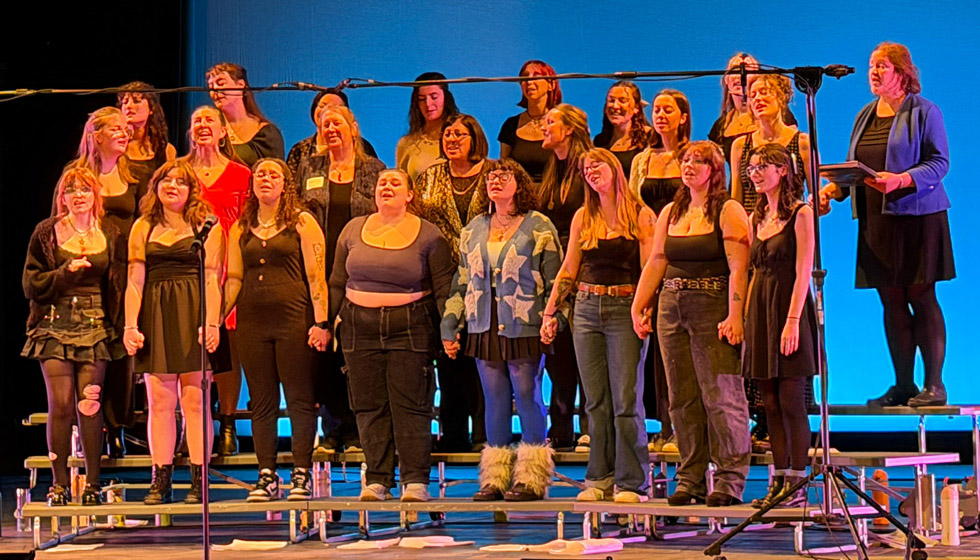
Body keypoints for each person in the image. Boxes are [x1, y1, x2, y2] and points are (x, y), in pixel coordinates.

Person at [819, 42, 954, 407]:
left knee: (920, 295)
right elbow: (857, 168)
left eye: (882, 66)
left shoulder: (925, 111)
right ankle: (904, 384)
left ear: (902, 72)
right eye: (871, 66)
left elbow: (939, 163)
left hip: (918, 217)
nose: (874, 72)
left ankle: (934, 386)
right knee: (891, 301)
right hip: (877, 220)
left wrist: (901, 180)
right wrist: (833, 189)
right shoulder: (865, 115)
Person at [631, 141, 751, 507]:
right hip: (672, 305)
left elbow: (738, 267)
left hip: (712, 303)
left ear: (715, 170)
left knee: (720, 394)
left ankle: (729, 479)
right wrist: (640, 304)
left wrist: (735, 314)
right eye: (686, 160)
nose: (689, 166)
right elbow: (656, 259)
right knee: (681, 397)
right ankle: (690, 477)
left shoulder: (728, 210)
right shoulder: (672, 210)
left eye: (699, 161)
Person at [441, 159, 564, 501]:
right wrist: (450, 323)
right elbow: (462, 280)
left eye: (504, 175)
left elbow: (557, 281)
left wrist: (555, 318)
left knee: (526, 394)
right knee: (493, 399)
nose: (495, 180)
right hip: (483, 323)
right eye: (491, 176)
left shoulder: (539, 226)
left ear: (520, 183)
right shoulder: (474, 228)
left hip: (525, 323)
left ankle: (532, 477)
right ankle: (494, 478)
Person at [329, 169, 454, 502]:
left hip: (411, 326)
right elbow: (337, 282)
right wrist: (325, 323)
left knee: (411, 405)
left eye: (395, 182)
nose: (386, 186)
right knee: (369, 406)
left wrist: (449, 329)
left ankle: (415, 481)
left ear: (410, 195)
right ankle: (378, 480)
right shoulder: (352, 230)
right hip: (359, 326)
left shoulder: (430, 235)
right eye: (382, 182)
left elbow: (443, 288)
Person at [542, 148, 656, 503]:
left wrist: (643, 309)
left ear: (615, 169)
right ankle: (600, 477)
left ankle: (632, 481)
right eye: (586, 168)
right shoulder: (583, 216)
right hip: (587, 308)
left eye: (598, 165)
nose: (591, 171)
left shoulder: (640, 214)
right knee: (595, 400)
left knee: (625, 399)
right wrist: (549, 312)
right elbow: (569, 269)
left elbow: (650, 269)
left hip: (625, 307)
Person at [223, 158, 329, 501]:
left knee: (299, 397)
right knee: (262, 400)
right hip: (253, 322)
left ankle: (301, 472)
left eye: (273, 174)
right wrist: (215, 318)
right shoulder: (241, 226)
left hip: (294, 319)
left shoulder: (302, 222)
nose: (265, 178)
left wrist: (321, 322)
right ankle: (266, 474)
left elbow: (316, 276)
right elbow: (234, 278)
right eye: (260, 174)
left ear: (286, 184)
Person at [23, 167, 126, 506]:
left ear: (96, 194)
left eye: (85, 189)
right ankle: (59, 484)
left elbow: (119, 283)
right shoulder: (46, 232)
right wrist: (63, 274)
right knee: (62, 403)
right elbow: (31, 285)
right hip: (53, 325)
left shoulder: (110, 232)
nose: (79, 195)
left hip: (95, 327)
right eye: (72, 190)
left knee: (90, 404)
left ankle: (94, 484)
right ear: (62, 197)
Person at [123, 161, 223, 505]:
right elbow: (134, 280)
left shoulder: (206, 225)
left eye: (181, 181)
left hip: (193, 311)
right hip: (156, 313)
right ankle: (160, 479)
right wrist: (130, 325)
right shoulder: (143, 227)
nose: (173, 186)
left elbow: (212, 277)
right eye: (166, 180)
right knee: (160, 401)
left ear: (191, 189)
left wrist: (211, 323)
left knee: (195, 400)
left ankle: (199, 479)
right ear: (156, 186)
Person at [295, 104, 386, 452]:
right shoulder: (309, 168)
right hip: (319, 272)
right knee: (325, 353)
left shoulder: (373, 169)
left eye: (337, 122)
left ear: (353, 127)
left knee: (360, 354)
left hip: (359, 271)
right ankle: (332, 430)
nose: (330, 128)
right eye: (323, 124)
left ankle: (361, 432)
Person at [742, 144, 816, 508]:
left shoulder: (801, 213)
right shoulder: (756, 218)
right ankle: (780, 477)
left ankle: (798, 479)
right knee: (768, 404)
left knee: (790, 402)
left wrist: (792, 321)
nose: (755, 173)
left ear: (783, 170)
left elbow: (804, 269)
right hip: (761, 313)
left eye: (763, 166)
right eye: (752, 167)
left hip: (790, 311)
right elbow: (754, 272)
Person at [67, 106, 142, 458]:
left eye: (127, 129)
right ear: (96, 135)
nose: (125, 134)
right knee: (93, 353)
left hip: (125, 273)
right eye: (117, 129)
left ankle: (119, 425)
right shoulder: (78, 177)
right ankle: (93, 428)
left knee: (122, 353)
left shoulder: (134, 176)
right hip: (89, 277)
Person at [416, 113, 490, 452]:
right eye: (447, 134)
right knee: (449, 355)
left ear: (475, 138)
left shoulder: (495, 173)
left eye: (459, 134)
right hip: (442, 274)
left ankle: (485, 433)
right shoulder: (430, 176)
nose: (452, 139)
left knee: (484, 356)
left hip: (489, 276)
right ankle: (454, 432)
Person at [627, 89, 692, 452]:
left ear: (684, 117)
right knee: (656, 343)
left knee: (682, 346)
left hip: (686, 252)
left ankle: (685, 428)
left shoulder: (693, 156)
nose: (661, 115)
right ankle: (665, 424)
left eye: (669, 110)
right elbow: (637, 208)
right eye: (658, 110)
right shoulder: (642, 161)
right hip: (651, 254)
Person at [185, 105, 252, 456]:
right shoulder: (178, 173)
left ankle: (227, 424)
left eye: (210, 120)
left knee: (228, 351)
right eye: (197, 121)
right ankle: (192, 424)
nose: (203, 125)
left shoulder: (242, 175)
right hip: (187, 271)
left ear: (225, 132)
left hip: (230, 270)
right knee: (188, 349)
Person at [537, 103, 593, 452]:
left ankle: (589, 425)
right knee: (558, 351)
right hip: (555, 268)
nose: (543, 127)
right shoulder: (552, 169)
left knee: (586, 346)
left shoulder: (588, 165)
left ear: (569, 128)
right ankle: (560, 428)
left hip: (585, 264)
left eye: (550, 122)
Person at [730, 74, 812, 212]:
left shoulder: (802, 142)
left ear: (781, 97)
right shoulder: (740, 145)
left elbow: (814, 195)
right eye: (753, 95)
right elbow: (736, 201)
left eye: (764, 92)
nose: (758, 99)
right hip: (752, 227)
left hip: (790, 226)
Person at [708, 53, 798, 165]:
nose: (740, 75)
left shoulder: (780, 115)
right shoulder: (721, 126)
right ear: (726, 80)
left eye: (747, 69)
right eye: (734, 69)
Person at [285, 87, 378, 181]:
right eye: (322, 106)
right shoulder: (299, 150)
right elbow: (290, 187)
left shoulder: (365, 149)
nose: (327, 110)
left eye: (335, 107)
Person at [206, 62, 285, 167]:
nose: (215, 90)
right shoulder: (210, 129)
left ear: (240, 85)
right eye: (211, 87)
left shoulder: (267, 134)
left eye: (221, 83)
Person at [498, 60, 562, 184]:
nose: (529, 82)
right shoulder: (510, 125)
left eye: (536, 77)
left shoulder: (563, 122)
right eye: (525, 78)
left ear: (551, 85)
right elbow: (503, 168)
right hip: (519, 197)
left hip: (554, 196)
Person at [395, 71, 461, 181]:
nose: (428, 104)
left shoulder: (462, 139)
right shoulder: (407, 144)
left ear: (446, 98)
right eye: (421, 99)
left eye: (434, 97)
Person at [118, 82, 177, 192]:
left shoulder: (166, 151)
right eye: (124, 102)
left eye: (136, 101)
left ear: (151, 108)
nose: (128, 106)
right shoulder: (114, 147)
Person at [593, 81, 650, 177]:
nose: (615, 106)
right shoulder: (599, 141)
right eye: (611, 100)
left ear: (636, 107)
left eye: (622, 100)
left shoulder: (650, 137)